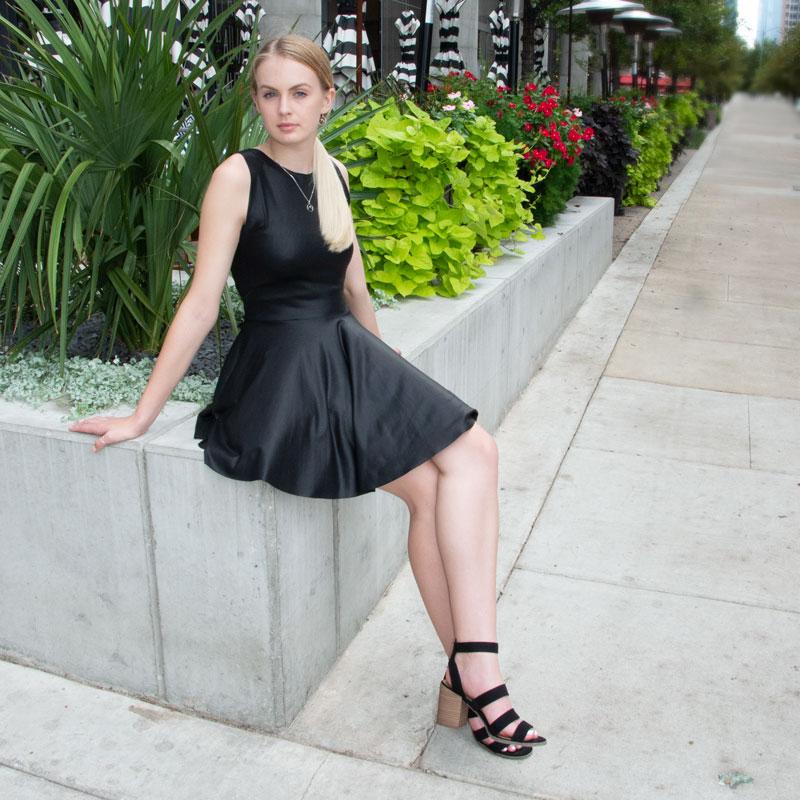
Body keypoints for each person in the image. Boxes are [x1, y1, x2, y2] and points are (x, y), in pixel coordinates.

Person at [68, 33, 545, 759]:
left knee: (462, 465)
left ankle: (468, 667)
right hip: (281, 375)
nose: (284, 108)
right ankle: (480, 675)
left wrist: (385, 384)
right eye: (270, 94)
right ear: (256, 101)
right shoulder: (238, 176)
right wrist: (143, 415)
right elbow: (201, 303)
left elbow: (354, 288)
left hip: (342, 354)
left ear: (327, 98)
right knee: (458, 466)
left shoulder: (334, 172)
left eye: (299, 93)